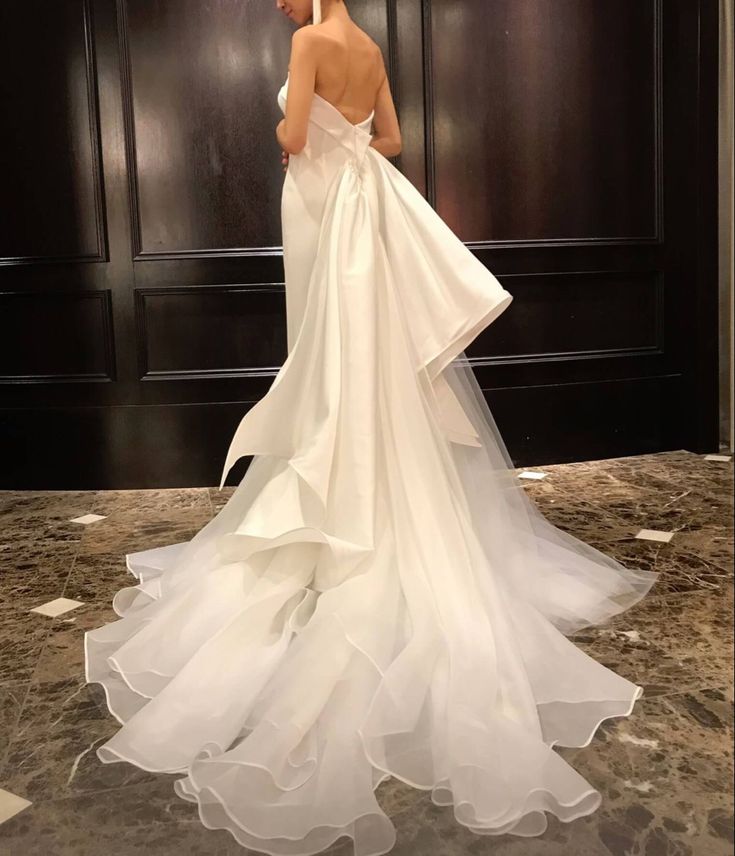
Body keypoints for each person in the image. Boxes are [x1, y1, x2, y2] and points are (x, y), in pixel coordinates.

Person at [84, 2, 660, 854]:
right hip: (351, 199)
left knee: (328, 350)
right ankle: (361, 483)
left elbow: (287, 133)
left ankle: (331, 504)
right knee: (359, 352)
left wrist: (301, 129)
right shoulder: (367, 44)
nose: (278, 0)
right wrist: (345, 142)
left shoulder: (310, 40)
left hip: (319, 206)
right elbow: (389, 143)